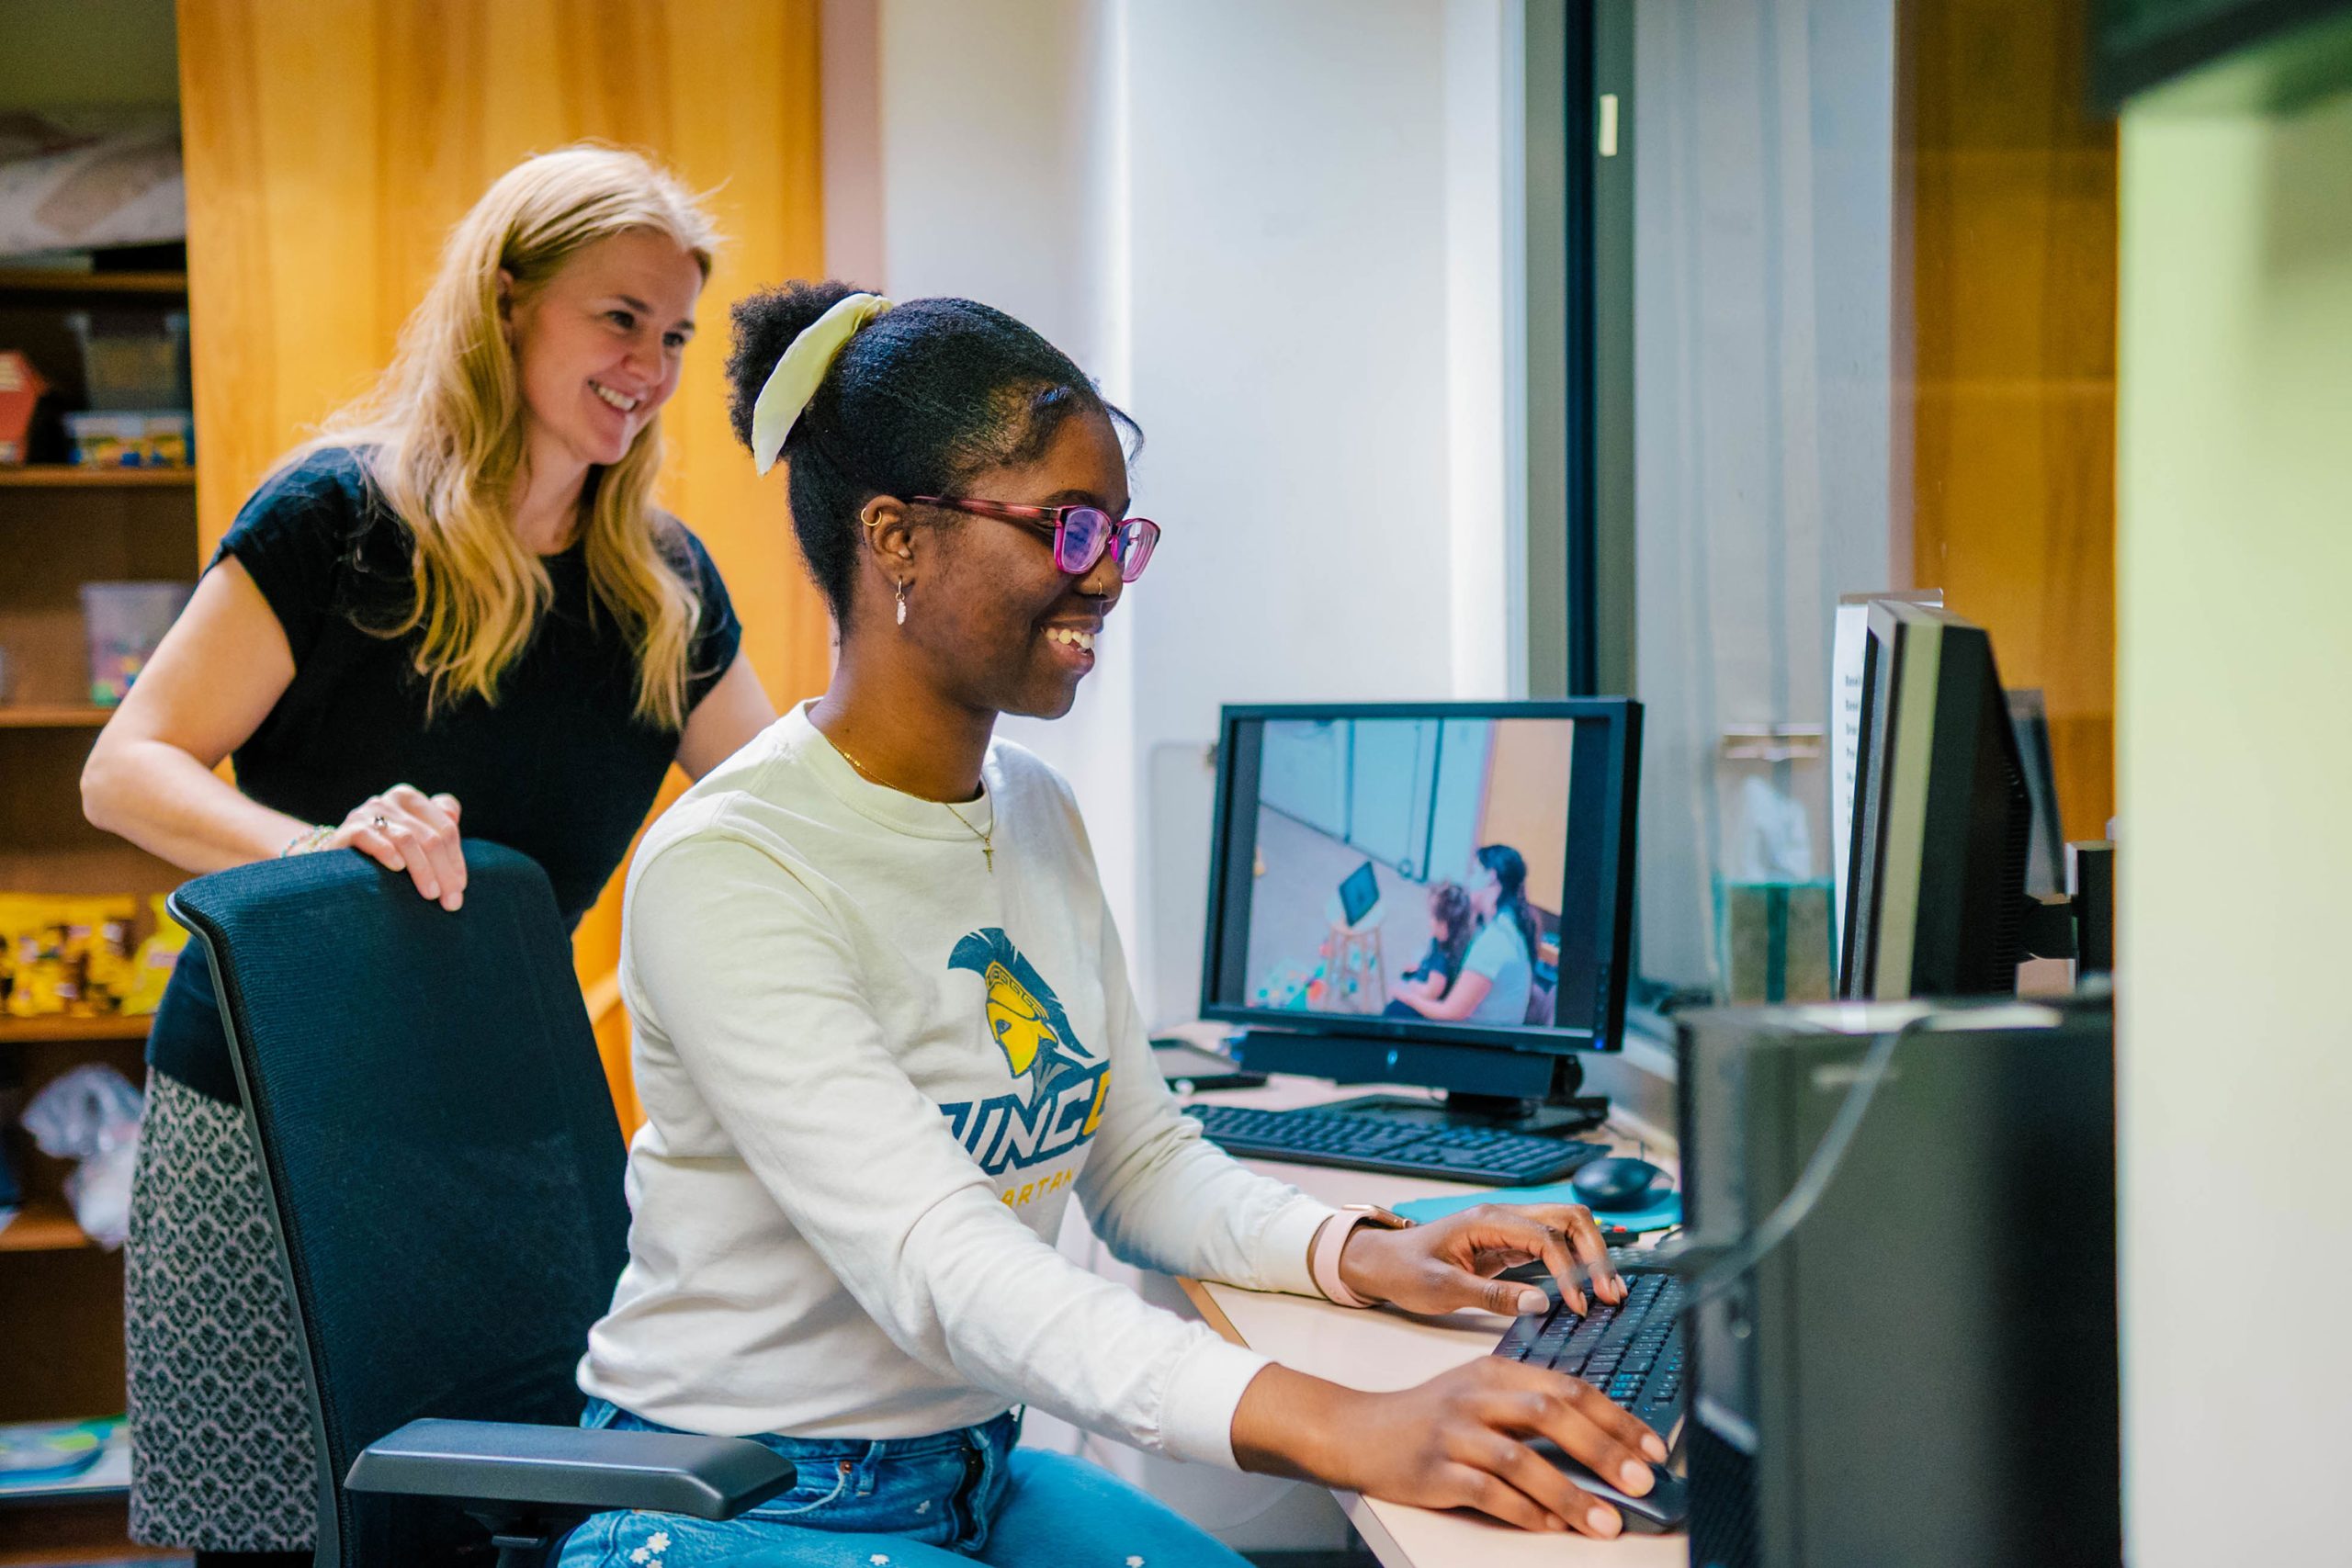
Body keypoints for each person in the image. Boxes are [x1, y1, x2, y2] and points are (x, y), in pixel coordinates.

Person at [556, 281, 1666, 1568]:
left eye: (1121, 535)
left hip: (972, 1472)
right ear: (895, 537)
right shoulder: (733, 866)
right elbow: (942, 1262)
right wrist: (1349, 1422)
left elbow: (1138, 1164)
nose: (1104, 576)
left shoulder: (1033, 810)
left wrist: (1361, 1251)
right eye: (1067, 528)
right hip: (731, 1493)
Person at [79, 147, 777, 1568]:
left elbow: (786, 810)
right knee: (274, 1537)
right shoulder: (338, 524)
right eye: (618, 316)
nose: (648, 364)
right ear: (507, 300)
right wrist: (328, 850)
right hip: (267, 1114)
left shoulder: (661, 589)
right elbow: (126, 767)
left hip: (498, 1134)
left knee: (500, 1521)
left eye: (675, 334)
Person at [1392, 845, 1539, 1027]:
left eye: (1474, 873)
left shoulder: (1495, 942)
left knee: (1396, 1011)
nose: (1468, 881)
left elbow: (1450, 1013)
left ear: (1490, 877)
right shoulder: (1508, 922)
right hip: (1491, 1025)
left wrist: (1406, 995)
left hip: (1483, 1041)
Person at [1385, 879, 1475, 1016]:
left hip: (1427, 1002)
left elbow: (1431, 993)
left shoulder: (1442, 958)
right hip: (1427, 977)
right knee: (1407, 974)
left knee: (1392, 1011)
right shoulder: (1446, 940)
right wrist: (1421, 967)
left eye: (1432, 916)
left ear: (1444, 926)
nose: (1429, 920)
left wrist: (1410, 988)